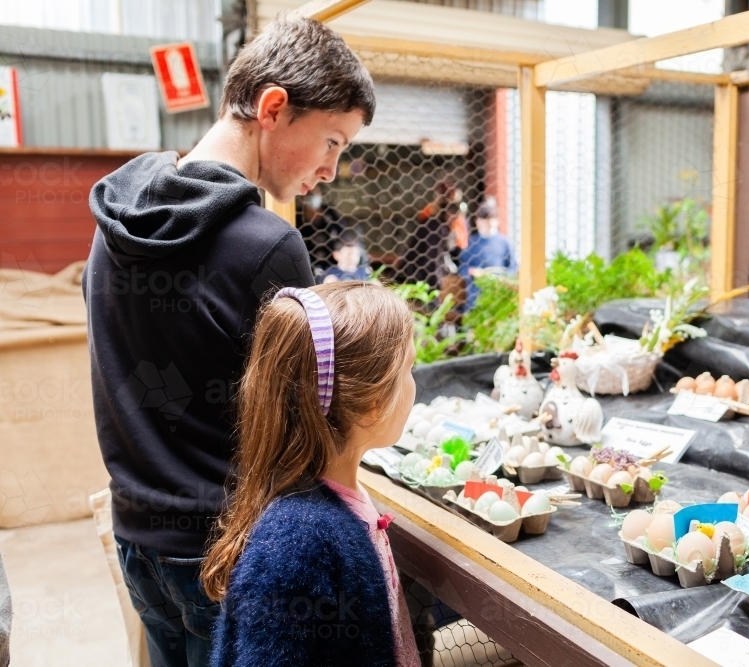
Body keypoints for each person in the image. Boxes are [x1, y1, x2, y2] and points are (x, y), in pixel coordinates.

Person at [83, 18, 375, 667]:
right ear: (273, 107)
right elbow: (304, 426)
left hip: (138, 541)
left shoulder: (113, 222)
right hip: (227, 553)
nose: (330, 169)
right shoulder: (267, 245)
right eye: (332, 139)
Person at [202, 282, 420, 667]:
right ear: (372, 405)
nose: (414, 385)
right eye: (409, 370)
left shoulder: (334, 505)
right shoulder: (298, 540)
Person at [459, 197, 516, 309]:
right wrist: (473, 272)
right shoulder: (470, 242)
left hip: (500, 294)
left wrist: (502, 278)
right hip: (476, 298)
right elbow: (462, 268)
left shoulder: (505, 242)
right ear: (477, 221)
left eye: (491, 219)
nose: (488, 223)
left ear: (497, 220)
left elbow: (513, 267)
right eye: (484, 219)